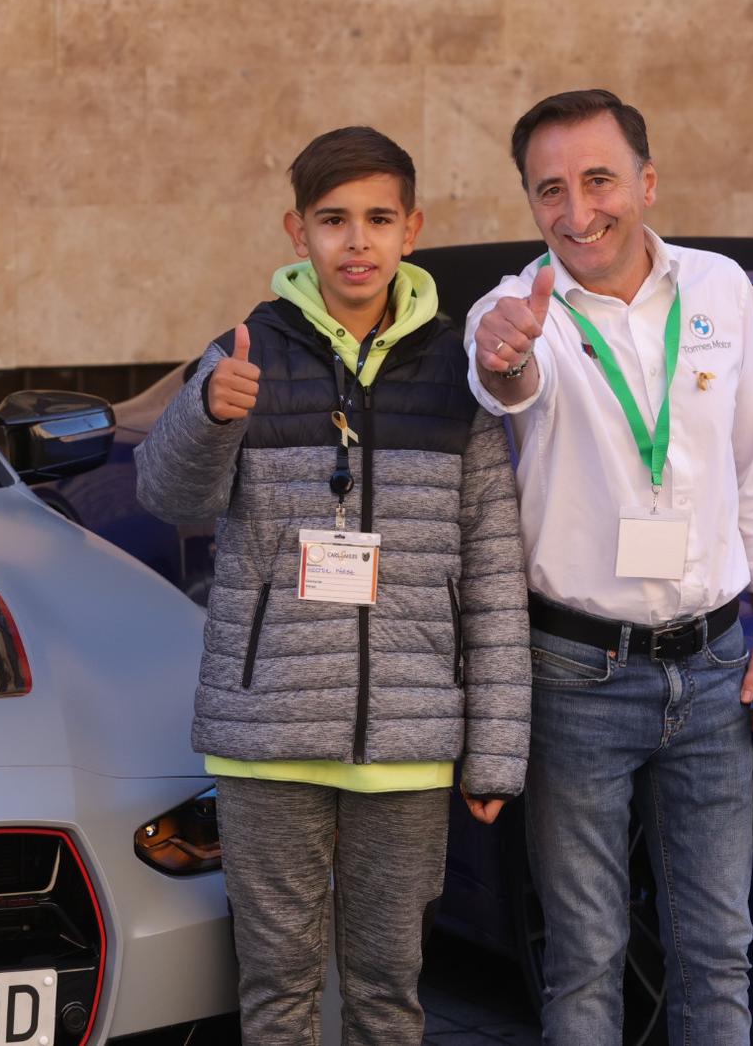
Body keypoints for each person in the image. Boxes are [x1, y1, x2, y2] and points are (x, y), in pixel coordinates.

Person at [135, 125, 531, 1046]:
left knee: (388, 991)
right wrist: (206, 417)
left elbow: (493, 566)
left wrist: (495, 749)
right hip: (268, 735)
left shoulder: (457, 372)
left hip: (408, 742)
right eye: (333, 220)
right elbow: (168, 497)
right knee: (277, 989)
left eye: (379, 220)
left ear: (412, 229)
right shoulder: (244, 353)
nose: (357, 242)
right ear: (297, 231)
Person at [464, 90, 753, 1045]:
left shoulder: (720, 289)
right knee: (585, 956)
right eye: (551, 191)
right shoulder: (514, 310)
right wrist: (502, 356)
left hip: (716, 667)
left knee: (719, 951)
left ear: (648, 182)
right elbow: (504, 379)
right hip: (577, 674)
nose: (578, 213)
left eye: (599, 180)